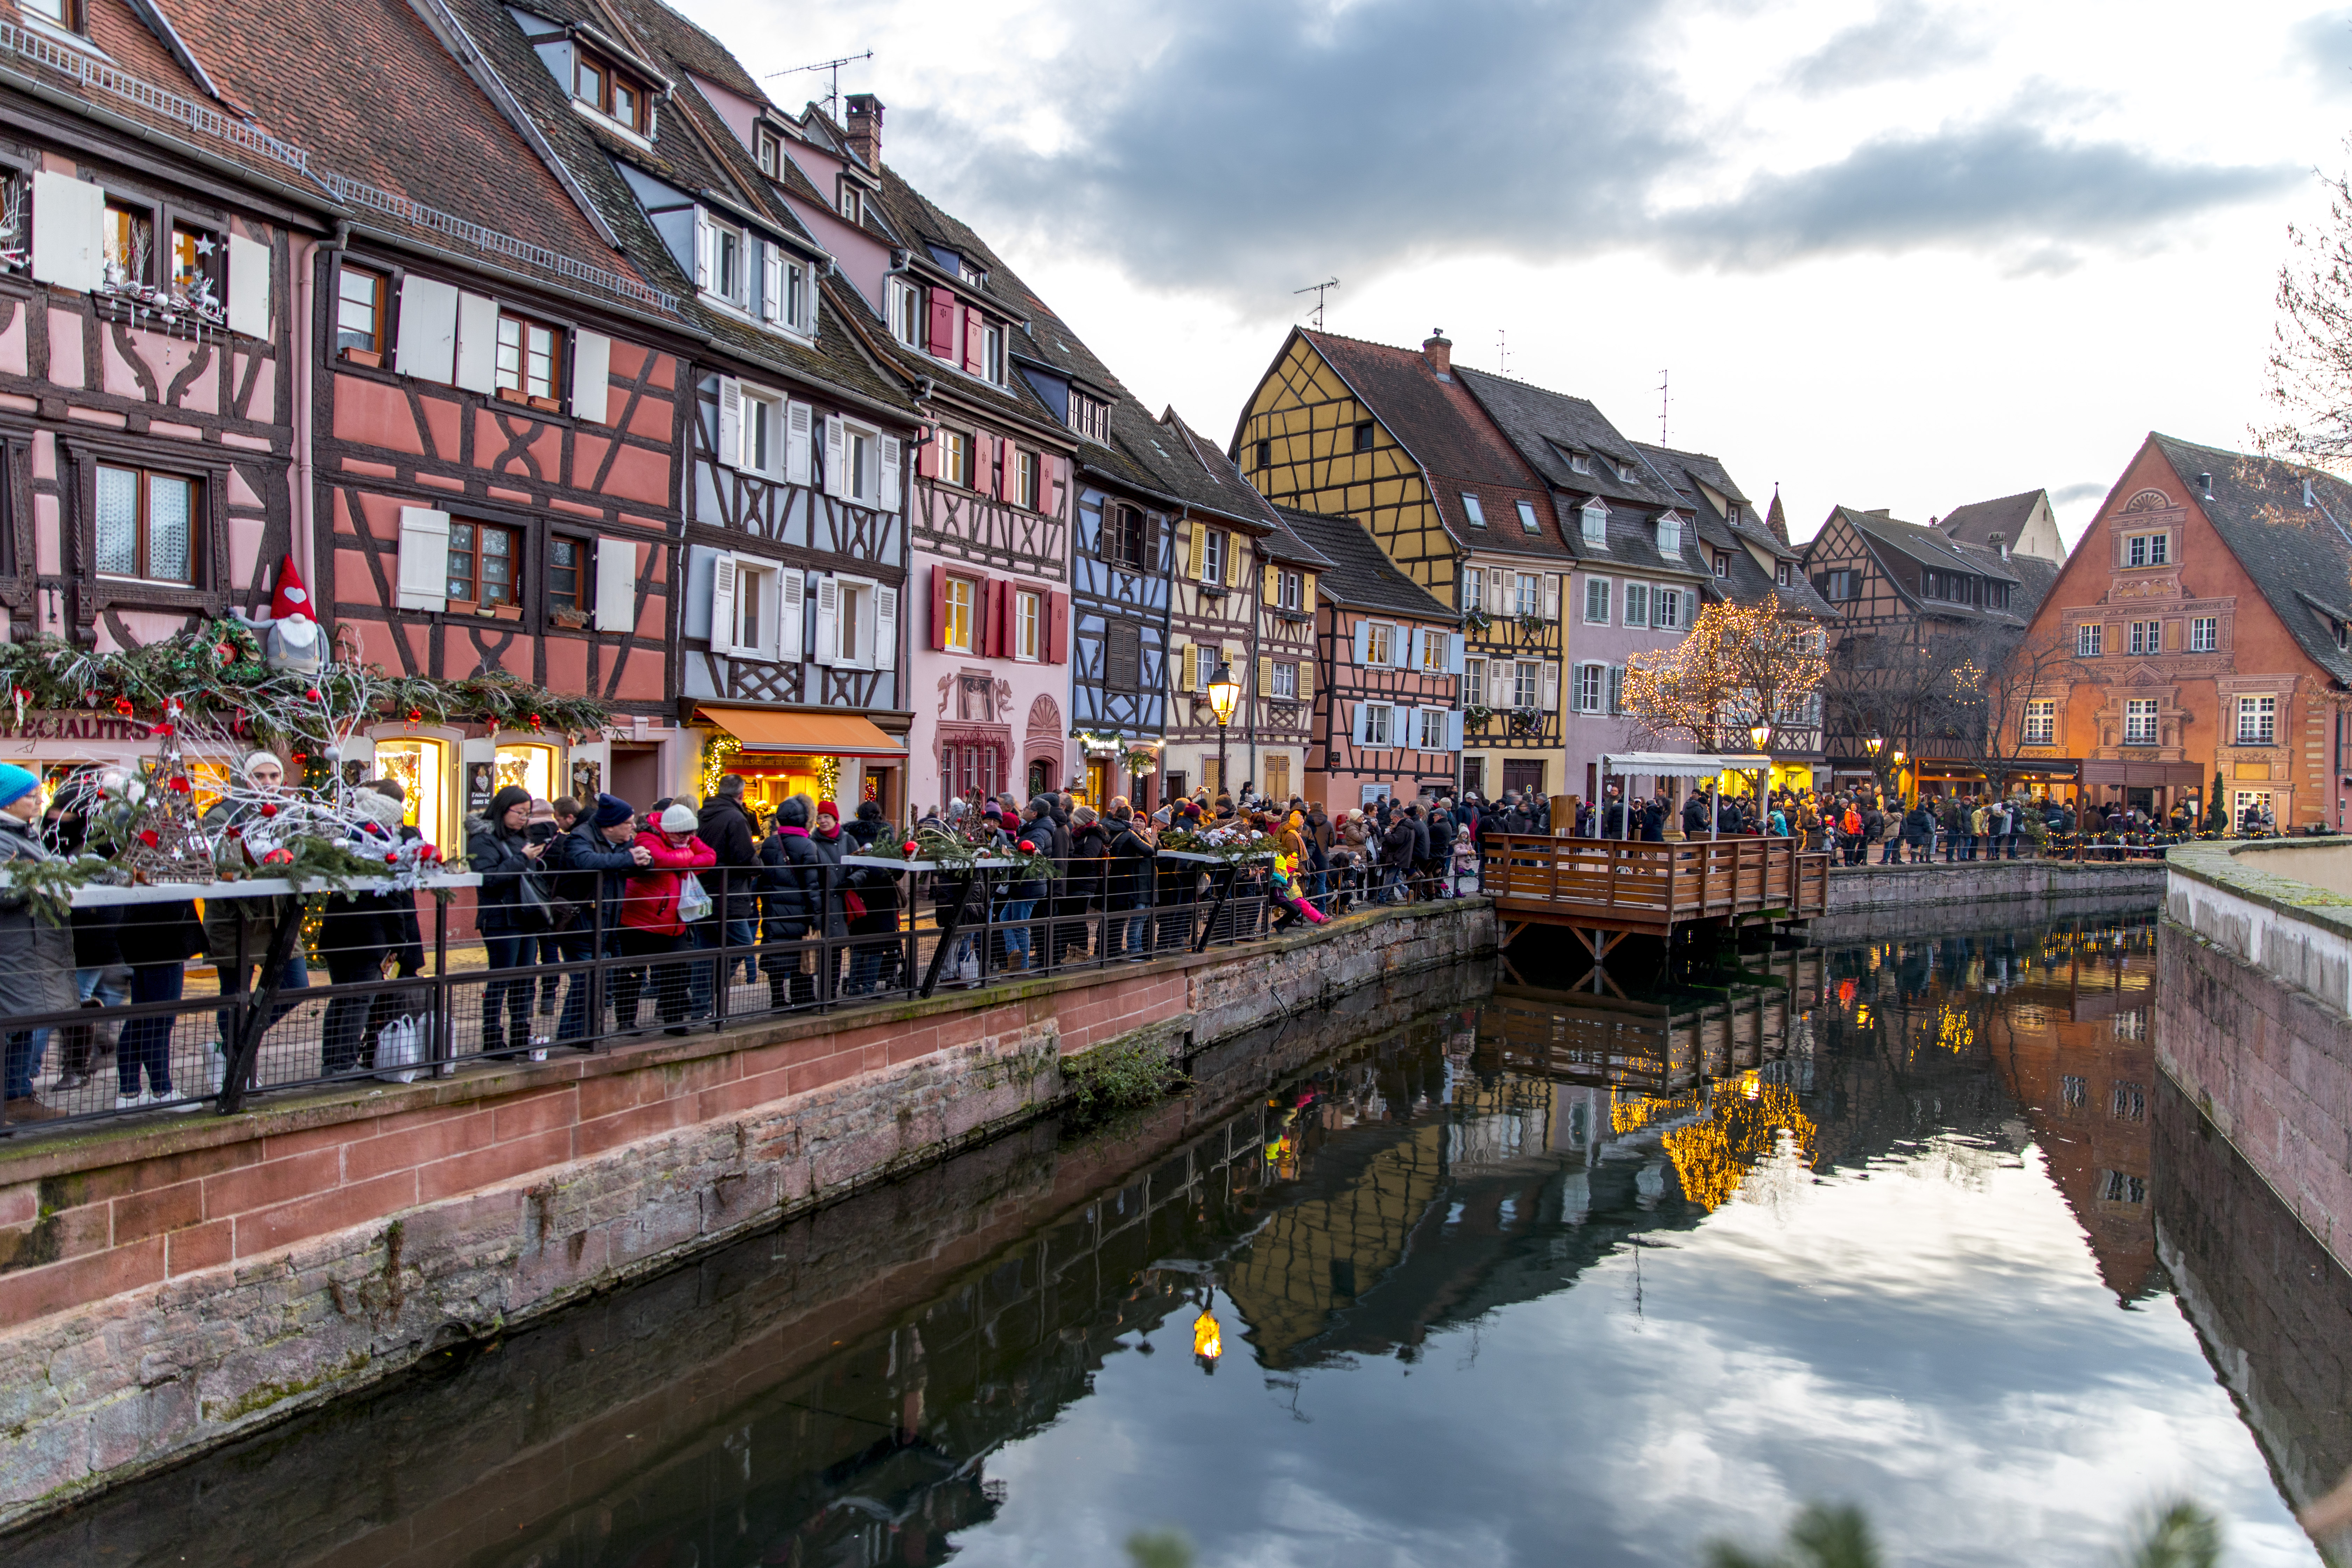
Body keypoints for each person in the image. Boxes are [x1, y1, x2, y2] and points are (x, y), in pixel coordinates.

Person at [202, 750, 312, 1070]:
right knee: (236, 994)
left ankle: (233, 1048)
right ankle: (237, 1070)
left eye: (274, 776)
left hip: (280, 918)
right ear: (243, 779)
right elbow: (219, 863)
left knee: (296, 986)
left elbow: (302, 852)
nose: (268, 783)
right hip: (237, 919)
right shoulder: (223, 815)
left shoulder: (289, 814)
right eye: (259, 776)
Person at [0, 766, 77, 1123]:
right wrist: (41, 878)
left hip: (30, 945)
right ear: (8, 800)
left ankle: (16, 1096)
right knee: (11, 1024)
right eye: (31, 796)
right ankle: (12, 1097)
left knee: (26, 1020)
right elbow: (6, 890)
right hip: (12, 946)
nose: (38, 801)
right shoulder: (6, 838)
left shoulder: (23, 833)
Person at [544, 793, 651, 1042]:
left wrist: (645, 860)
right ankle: (577, 1036)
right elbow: (585, 861)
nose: (633, 827)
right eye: (629, 823)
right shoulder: (581, 837)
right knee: (588, 980)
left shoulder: (624, 841)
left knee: (596, 981)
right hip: (578, 924)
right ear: (611, 826)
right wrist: (629, 859)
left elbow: (641, 860)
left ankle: (578, 1035)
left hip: (607, 924)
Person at [318, 790, 408, 1075]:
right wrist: (399, 942)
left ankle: (330, 1063)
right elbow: (391, 899)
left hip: (336, 933)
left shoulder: (346, 841)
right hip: (369, 936)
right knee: (359, 1001)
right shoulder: (381, 846)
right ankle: (344, 1064)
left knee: (341, 998)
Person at [612, 803, 717, 1034]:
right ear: (669, 830)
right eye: (684, 834)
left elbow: (710, 857)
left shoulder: (685, 838)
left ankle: (674, 1020)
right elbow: (660, 860)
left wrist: (680, 857)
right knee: (633, 974)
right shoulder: (647, 838)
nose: (689, 838)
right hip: (640, 920)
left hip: (673, 922)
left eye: (692, 834)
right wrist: (686, 857)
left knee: (677, 972)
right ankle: (626, 1022)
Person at [468, 785, 549, 1059]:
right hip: (501, 918)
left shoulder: (520, 838)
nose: (523, 819)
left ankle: (520, 1034)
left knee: (525, 979)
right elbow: (489, 878)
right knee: (500, 978)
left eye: (527, 814)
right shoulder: (483, 839)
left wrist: (533, 860)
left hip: (526, 917)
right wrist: (522, 859)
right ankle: (492, 1039)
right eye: (519, 813)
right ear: (503, 810)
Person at [114, 895, 205, 1110]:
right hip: (164, 935)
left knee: (139, 1018)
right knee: (160, 1020)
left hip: (142, 934)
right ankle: (162, 1090)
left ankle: (129, 1092)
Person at [696, 775, 763, 997]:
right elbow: (744, 856)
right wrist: (759, 866)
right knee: (742, 943)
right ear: (741, 794)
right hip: (729, 893)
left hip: (705, 890)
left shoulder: (705, 813)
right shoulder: (734, 818)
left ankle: (701, 1004)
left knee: (706, 949)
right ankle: (713, 987)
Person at [758, 795, 825, 1004]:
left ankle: (777, 999)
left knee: (775, 951)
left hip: (773, 908)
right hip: (800, 910)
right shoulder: (808, 846)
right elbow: (812, 885)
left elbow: (763, 877)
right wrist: (817, 915)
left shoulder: (769, 843)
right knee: (801, 954)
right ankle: (803, 998)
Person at [1104, 798, 1156, 957]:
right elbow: (1149, 851)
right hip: (1126, 880)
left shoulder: (1107, 829)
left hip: (1111, 877)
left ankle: (1109, 951)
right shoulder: (1130, 835)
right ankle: (1127, 950)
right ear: (1129, 820)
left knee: (1111, 918)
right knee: (1127, 916)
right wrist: (1152, 841)